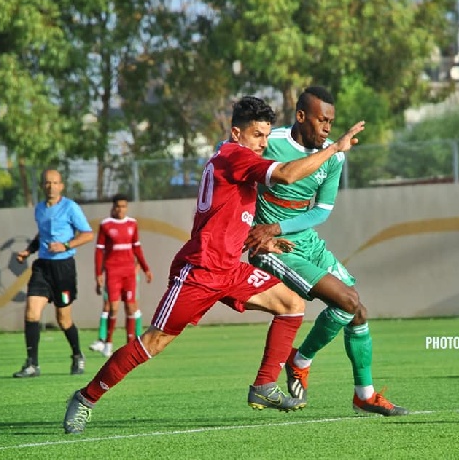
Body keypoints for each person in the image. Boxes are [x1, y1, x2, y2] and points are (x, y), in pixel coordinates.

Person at [63, 96, 366, 434]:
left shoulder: (236, 159)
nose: (263, 144)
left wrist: (262, 237)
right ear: (236, 133)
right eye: (256, 136)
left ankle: (264, 385)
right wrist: (335, 148)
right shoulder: (235, 156)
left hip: (230, 269)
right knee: (153, 343)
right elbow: (286, 175)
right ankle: (85, 399)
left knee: (291, 304)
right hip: (201, 271)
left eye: (266, 136)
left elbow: (229, 215)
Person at [246, 86, 408, 417]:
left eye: (331, 122)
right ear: (301, 116)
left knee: (357, 310)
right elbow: (233, 169)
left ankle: (363, 394)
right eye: (322, 120)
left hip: (302, 240)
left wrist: (279, 227)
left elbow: (321, 210)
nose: (327, 128)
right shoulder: (270, 144)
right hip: (272, 247)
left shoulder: (334, 157)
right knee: (346, 301)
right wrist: (252, 230)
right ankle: (300, 361)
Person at [13, 169, 94, 378]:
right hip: (42, 267)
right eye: (47, 183)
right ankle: (32, 364)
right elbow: (42, 234)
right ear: (43, 186)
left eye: (55, 183)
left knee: (63, 319)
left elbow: (88, 234)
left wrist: (66, 245)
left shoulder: (70, 207)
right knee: (31, 312)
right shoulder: (39, 209)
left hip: (63, 268)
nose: (51, 186)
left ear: (61, 186)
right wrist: (28, 251)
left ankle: (77, 354)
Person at [90, 195, 153, 357]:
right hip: (113, 272)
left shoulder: (132, 224)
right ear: (113, 207)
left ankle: (130, 345)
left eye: (124, 206)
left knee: (131, 307)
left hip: (129, 272)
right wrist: (98, 273)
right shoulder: (105, 225)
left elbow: (137, 248)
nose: (121, 209)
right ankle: (108, 343)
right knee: (113, 308)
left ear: (127, 207)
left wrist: (146, 268)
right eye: (118, 206)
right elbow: (99, 251)